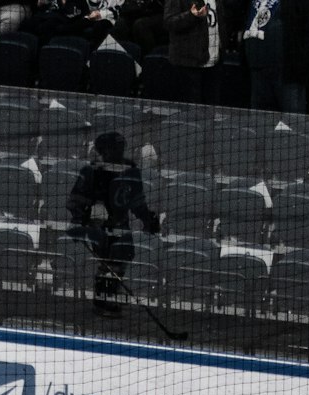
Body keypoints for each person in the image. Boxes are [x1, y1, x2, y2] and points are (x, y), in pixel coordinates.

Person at [67, 132, 161, 317]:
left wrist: (148, 219)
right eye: (115, 147)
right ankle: (102, 301)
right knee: (109, 263)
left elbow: (137, 202)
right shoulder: (92, 170)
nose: (119, 151)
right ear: (104, 150)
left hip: (120, 225)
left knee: (122, 258)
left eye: (121, 147)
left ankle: (109, 296)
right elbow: (75, 201)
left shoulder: (131, 170)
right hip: (99, 227)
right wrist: (82, 218)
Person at [242, 0, 309, 115]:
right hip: (257, 70)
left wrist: (301, 71)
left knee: (291, 127)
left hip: (288, 75)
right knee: (260, 127)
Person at [164, 0, 226, 104]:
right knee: (192, 114)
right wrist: (191, 16)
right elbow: (169, 22)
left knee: (211, 110)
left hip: (214, 61)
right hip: (189, 63)